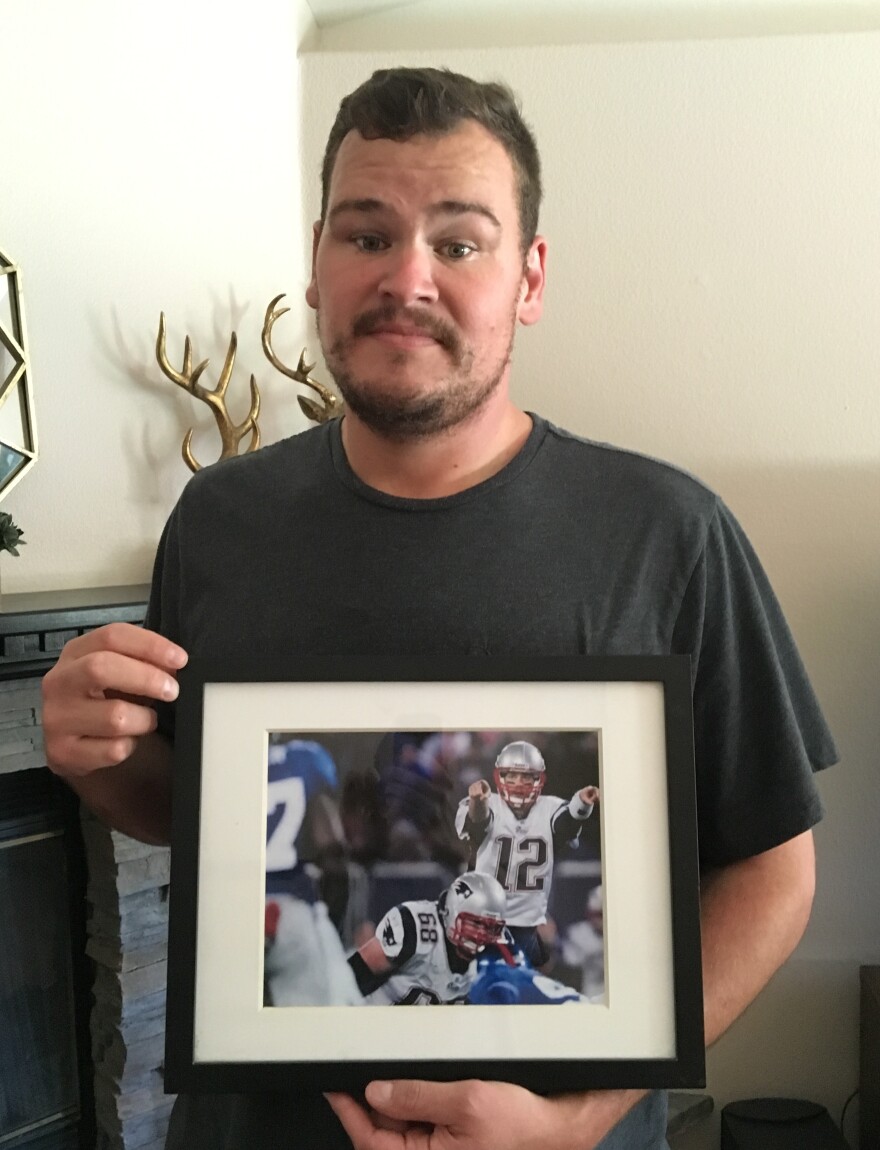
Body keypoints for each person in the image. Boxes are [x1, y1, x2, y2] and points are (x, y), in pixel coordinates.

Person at [41, 65, 837, 1150]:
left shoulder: (668, 532)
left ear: (529, 277)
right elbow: (197, 803)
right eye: (366, 235)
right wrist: (95, 755)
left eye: (458, 242)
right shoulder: (219, 520)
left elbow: (773, 866)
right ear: (317, 265)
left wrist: (582, 1120)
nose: (406, 277)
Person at [455, 739, 599, 964]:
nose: (518, 783)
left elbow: (565, 823)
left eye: (526, 776)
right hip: (483, 920)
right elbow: (477, 822)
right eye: (511, 775)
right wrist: (478, 801)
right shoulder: (488, 803)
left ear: (539, 779)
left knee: (531, 981)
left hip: (528, 923)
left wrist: (581, 804)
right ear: (499, 777)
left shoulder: (549, 807)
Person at [263, 738, 363, 1006]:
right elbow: (330, 843)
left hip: (238, 904)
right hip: (289, 909)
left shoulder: (238, 755)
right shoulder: (304, 757)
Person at [349, 871, 508, 1005]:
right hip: (374, 1025)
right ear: (451, 911)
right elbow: (352, 976)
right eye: (474, 923)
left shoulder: (496, 953)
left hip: (432, 1036)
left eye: (490, 927)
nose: (481, 935)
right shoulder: (414, 926)